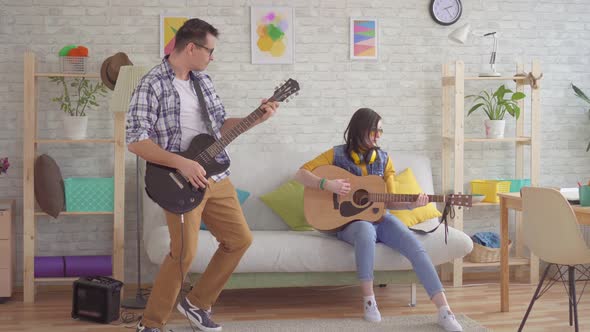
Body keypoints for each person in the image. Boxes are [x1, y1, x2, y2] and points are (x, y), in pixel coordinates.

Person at [126, 18, 279, 332]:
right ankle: (151, 324)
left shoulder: (204, 82)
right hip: (179, 181)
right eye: (210, 51)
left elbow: (220, 127)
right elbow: (135, 140)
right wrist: (181, 163)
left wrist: (256, 119)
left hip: (216, 177)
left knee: (239, 240)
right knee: (184, 252)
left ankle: (196, 303)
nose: (213, 57)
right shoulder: (152, 83)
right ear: (191, 47)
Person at [294, 108, 463, 332]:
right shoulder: (335, 155)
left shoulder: (384, 160)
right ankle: (369, 300)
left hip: (381, 217)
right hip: (346, 223)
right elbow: (301, 174)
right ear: (359, 129)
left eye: (381, 131)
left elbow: (390, 201)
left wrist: (412, 203)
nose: (378, 136)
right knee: (365, 230)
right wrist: (328, 184)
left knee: (416, 247)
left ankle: (444, 310)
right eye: (374, 130)